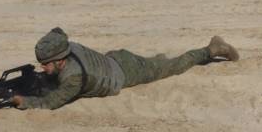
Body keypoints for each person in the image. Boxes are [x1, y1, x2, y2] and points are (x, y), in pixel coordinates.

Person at [12, 27, 239, 109]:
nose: (42, 67)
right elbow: (58, 32)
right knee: (157, 64)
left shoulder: (73, 77)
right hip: (115, 60)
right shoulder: (68, 46)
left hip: (126, 71)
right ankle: (156, 61)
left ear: (60, 59)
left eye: (46, 63)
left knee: (174, 66)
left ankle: (211, 50)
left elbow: (51, 102)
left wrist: (23, 102)